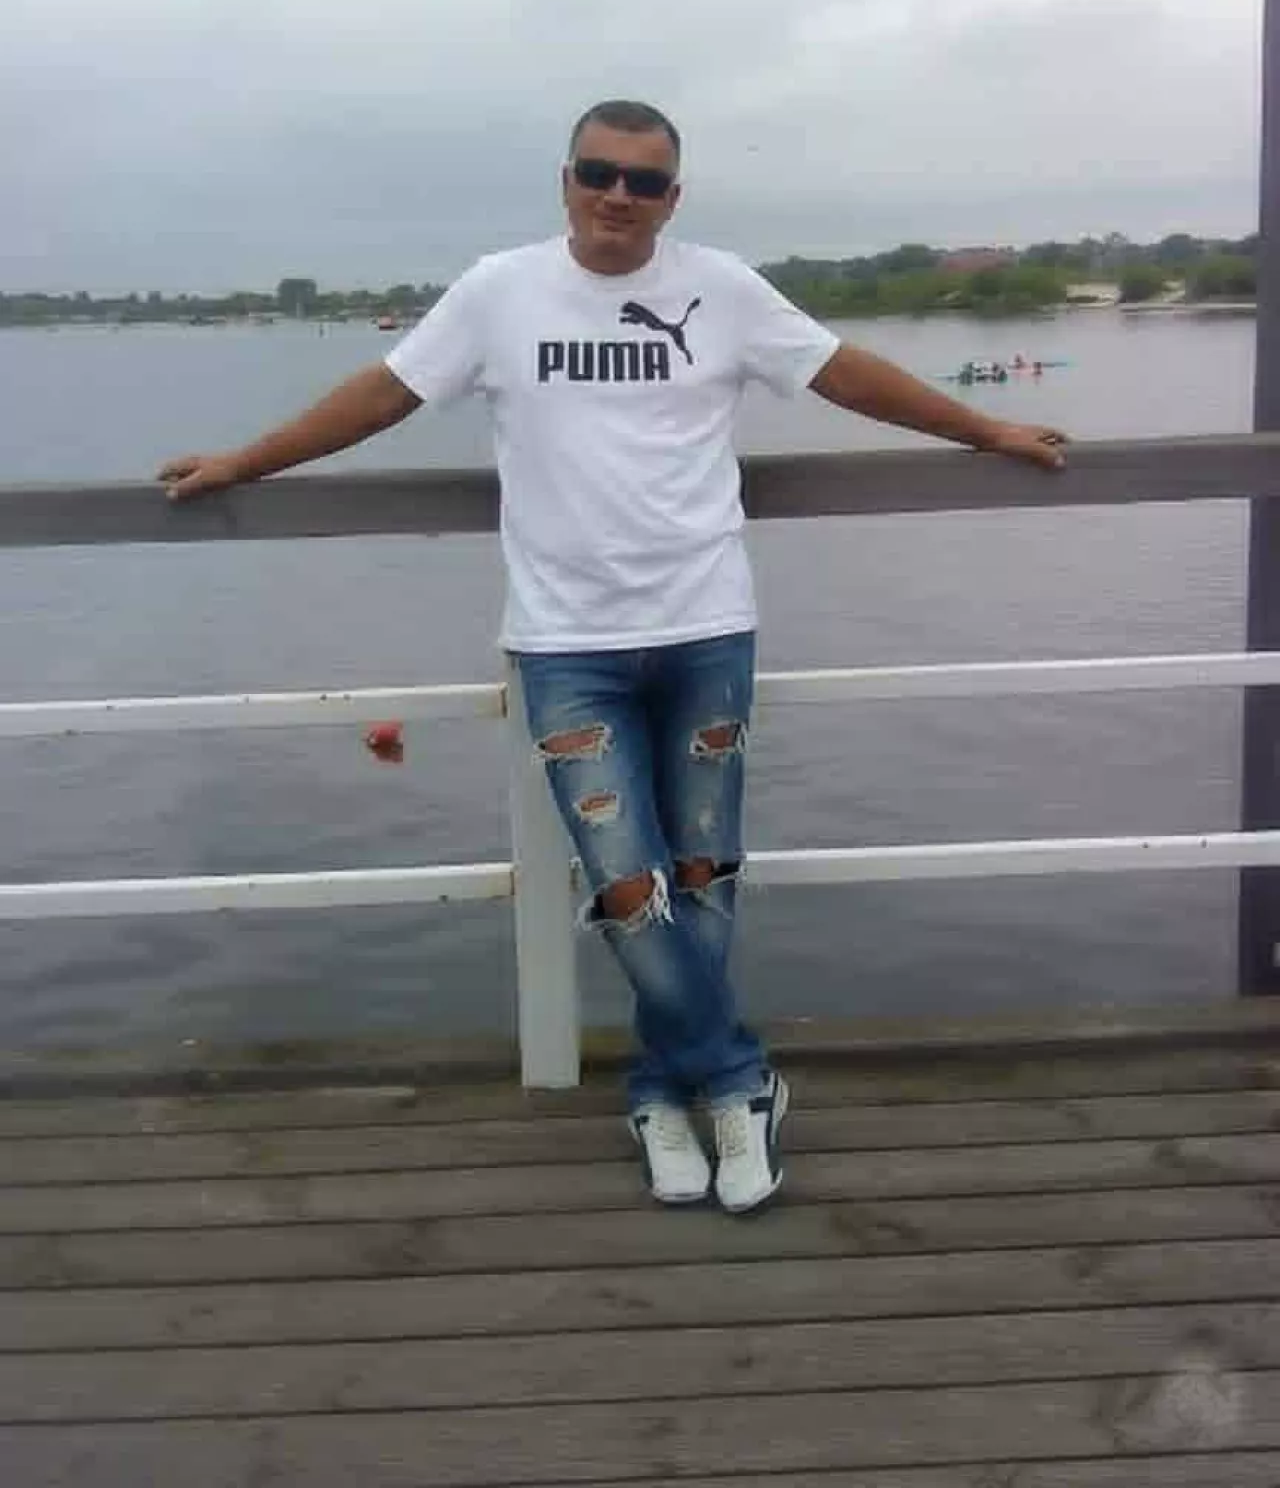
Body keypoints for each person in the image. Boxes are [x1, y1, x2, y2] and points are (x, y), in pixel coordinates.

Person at [159, 99, 1067, 1214]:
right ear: (566, 181)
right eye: (599, 173)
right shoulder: (497, 291)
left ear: (672, 198)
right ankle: (736, 1078)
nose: (617, 196)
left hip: (705, 629)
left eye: (643, 181)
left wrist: (987, 429)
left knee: (704, 878)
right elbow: (384, 393)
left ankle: (656, 1090)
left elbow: (844, 373)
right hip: (567, 645)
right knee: (627, 886)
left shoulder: (723, 288)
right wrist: (246, 461)